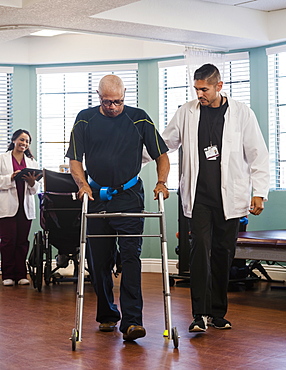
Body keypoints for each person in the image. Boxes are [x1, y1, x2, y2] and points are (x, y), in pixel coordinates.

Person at [162, 64, 269, 332]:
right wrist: (132, 158)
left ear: (219, 86)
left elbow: (258, 153)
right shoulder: (185, 112)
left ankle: (218, 313)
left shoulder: (242, 113)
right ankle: (199, 315)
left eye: (204, 89)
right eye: (196, 89)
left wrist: (259, 193)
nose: (199, 94)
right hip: (198, 198)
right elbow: (165, 143)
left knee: (223, 255)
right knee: (199, 253)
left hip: (230, 199)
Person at [66, 75, 170, 341]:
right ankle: (108, 315)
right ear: (98, 96)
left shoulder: (139, 118)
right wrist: (82, 184)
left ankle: (133, 322)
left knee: (131, 258)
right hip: (97, 196)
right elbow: (75, 159)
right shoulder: (85, 119)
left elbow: (161, 155)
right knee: (99, 261)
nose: (112, 106)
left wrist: (161, 182)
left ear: (125, 95)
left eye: (118, 101)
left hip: (130, 196)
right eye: (107, 101)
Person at [0, 129, 40, 286]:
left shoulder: (32, 162)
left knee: (22, 241)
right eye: (22, 140)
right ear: (14, 140)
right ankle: (8, 275)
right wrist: (9, 177)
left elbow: (36, 188)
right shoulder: (2, 159)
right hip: (8, 206)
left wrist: (32, 183)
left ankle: (21, 274)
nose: (24, 143)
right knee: (8, 241)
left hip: (25, 207)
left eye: (27, 141)